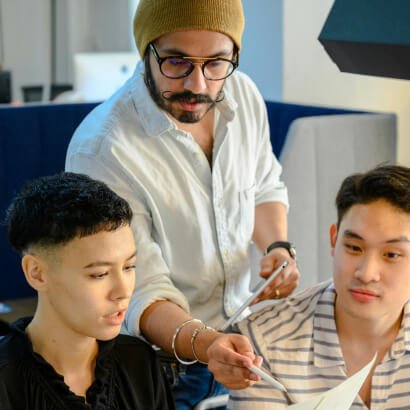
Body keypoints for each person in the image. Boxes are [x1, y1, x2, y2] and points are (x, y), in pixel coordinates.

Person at [65, 0, 300, 406]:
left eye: (216, 63)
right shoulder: (103, 148)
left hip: (241, 345)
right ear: (147, 51)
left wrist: (276, 248)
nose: (198, 85)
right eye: (177, 62)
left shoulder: (242, 94)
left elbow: (264, 185)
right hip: (161, 370)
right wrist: (210, 345)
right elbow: (136, 291)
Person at [229, 164, 410, 409]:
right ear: (334, 239)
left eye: (392, 254)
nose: (366, 274)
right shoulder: (264, 343)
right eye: (354, 248)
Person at [0, 172, 175, 410]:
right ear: (37, 273)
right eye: (99, 274)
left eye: (129, 267)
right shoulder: (7, 382)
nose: (123, 291)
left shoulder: (139, 363)